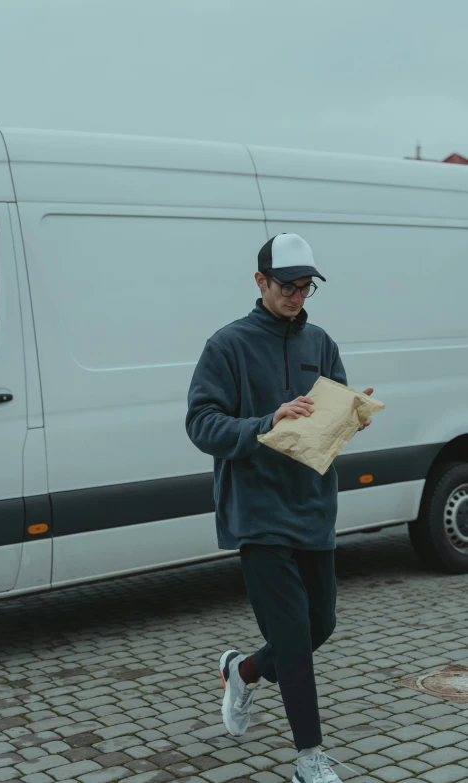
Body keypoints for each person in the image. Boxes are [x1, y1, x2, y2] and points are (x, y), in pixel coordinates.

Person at [186, 233, 374, 783]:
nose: (297, 295)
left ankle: (242, 671)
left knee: (321, 624)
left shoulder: (320, 341)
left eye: (305, 286)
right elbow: (202, 425)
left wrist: (353, 417)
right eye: (287, 285)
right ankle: (309, 759)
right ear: (260, 281)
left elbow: (330, 417)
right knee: (293, 636)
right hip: (258, 510)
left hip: (314, 505)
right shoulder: (227, 346)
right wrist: (267, 421)